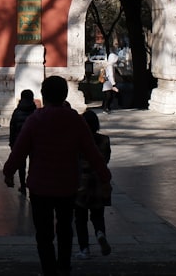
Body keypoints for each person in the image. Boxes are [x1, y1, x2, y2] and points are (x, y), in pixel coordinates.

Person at [3, 75, 111, 276]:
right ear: (65, 95)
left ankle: (49, 269)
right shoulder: (75, 120)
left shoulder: (35, 119)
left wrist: (9, 172)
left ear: (43, 95)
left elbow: (19, 149)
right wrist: (105, 177)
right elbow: (92, 152)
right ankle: (64, 266)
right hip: (67, 184)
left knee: (43, 234)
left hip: (39, 185)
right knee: (65, 228)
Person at [74, 109, 112, 259]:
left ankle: (84, 249)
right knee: (98, 214)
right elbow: (106, 159)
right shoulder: (104, 140)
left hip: (81, 182)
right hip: (98, 182)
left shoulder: (77, 141)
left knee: (80, 218)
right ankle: (100, 233)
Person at [9, 89, 37, 195]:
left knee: (21, 165)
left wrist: (12, 143)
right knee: (33, 163)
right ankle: (31, 182)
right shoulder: (35, 112)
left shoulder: (17, 112)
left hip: (19, 142)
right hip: (34, 143)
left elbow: (12, 129)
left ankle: (23, 185)